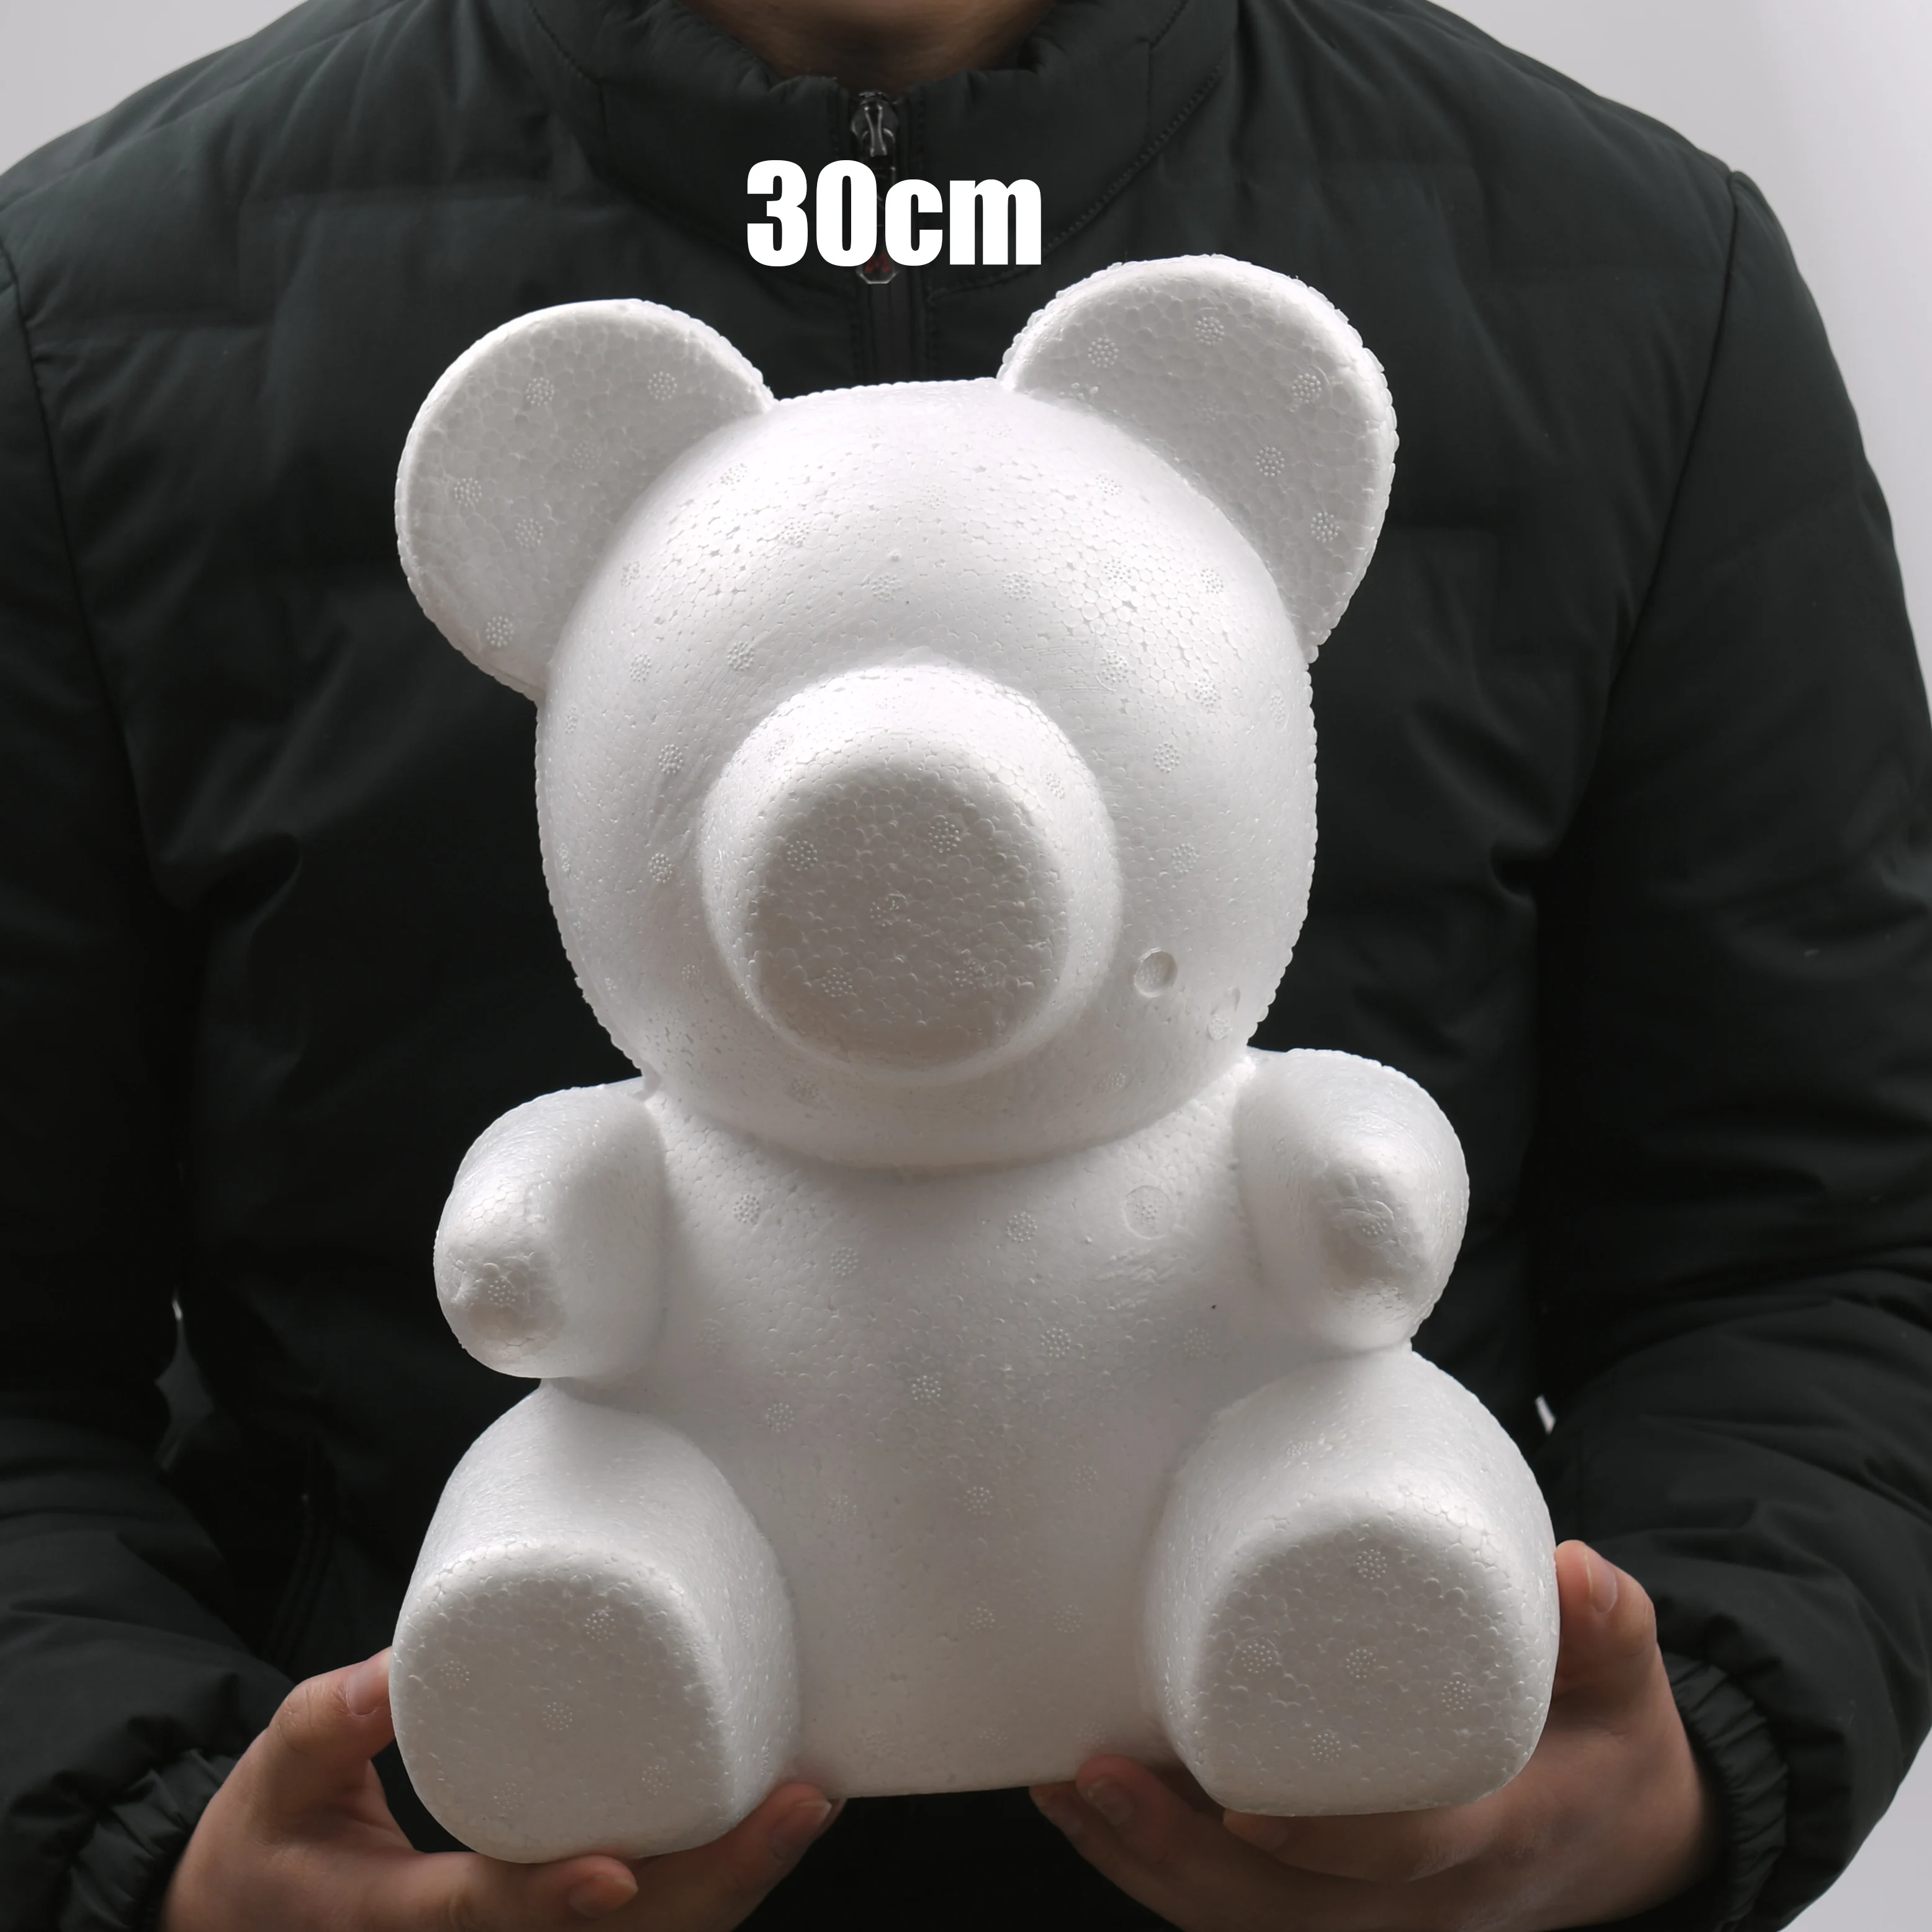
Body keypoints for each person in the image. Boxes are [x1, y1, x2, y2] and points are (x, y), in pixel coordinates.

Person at [1, 0, 1926, 1926]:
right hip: (460, 1787)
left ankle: (1339, 1585)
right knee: (573, 1581)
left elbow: (1823, 1239)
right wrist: (155, 1844)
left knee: (1354, 1521)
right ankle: (587, 1641)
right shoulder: (80, 321)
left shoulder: (1636, 288)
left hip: (1350, 1773)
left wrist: (1690, 1749)